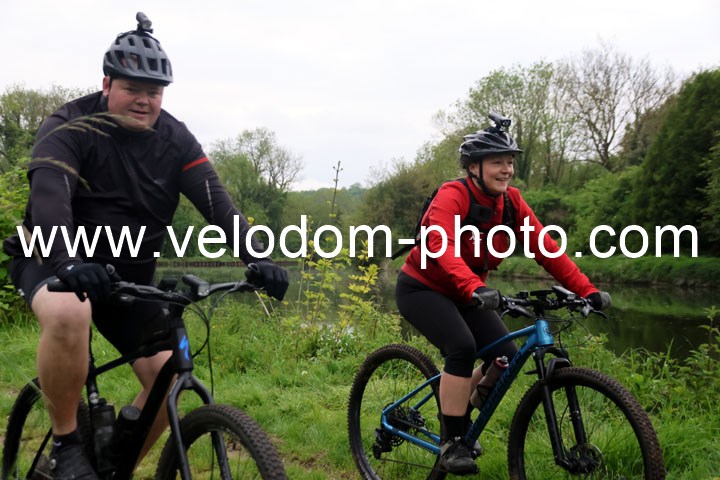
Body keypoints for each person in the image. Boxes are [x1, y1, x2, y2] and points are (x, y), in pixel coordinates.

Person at [2, 13, 289, 480]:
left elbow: (217, 203)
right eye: (132, 88)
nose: (144, 100)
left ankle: (115, 468)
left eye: (154, 92)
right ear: (106, 84)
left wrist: (257, 255)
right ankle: (66, 445)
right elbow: (51, 197)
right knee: (70, 310)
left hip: (126, 279)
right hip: (52, 260)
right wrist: (68, 261)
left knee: (168, 375)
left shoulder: (176, 140)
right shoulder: (68, 126)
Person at [395, 113, 604, 475]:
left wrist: (587, 290)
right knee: (461, 346)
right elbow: (441, 244)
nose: (507, 170)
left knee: (505, 356)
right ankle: (452, 441)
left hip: (468, 292)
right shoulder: (453, 195)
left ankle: (459, 418)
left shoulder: (510, 203)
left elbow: (546, 248)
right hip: (422, 288)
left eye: (510, 162)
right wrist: (474, 287)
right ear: (473, 167)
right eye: (497, 162)